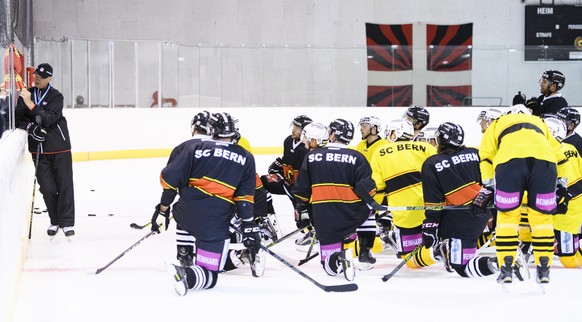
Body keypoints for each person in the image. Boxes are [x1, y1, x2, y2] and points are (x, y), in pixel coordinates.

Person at [157, 112, 258, 295]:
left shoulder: (194, 147)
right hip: (214, 223)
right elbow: (245, 198)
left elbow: (170, 181)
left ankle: (185, 253)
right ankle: (186, 273)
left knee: (187, 217)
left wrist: (163, 210)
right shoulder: (246, 157)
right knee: (211, 275)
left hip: (184, 214)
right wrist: (249, 225)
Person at [475, 104, 568, 287]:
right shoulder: (539, 122)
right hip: (545, 166)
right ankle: (544, 269)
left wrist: (490, 185)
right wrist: (562, 186)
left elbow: (485, 156)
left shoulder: (498, 123)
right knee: (542, 221)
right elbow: (560, 154)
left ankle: (506, 269)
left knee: (508, 219)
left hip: (510, 164)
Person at [291, 118, 381, 279]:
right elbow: (368, 190)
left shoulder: (312, 157)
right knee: (370, 209)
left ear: (332, 134)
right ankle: (363, 250)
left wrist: (302, 209)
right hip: (351, 215)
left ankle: (339, 259)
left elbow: (301, 192)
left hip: (323, 218)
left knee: (330, 268)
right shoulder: (357, 157)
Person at [421, 122, 498, 277]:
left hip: (457, 220)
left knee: (461, 267)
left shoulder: (432, 163)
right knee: (464, 257)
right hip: (481, 215)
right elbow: (493, 181)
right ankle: (447, 247)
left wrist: (430, 227)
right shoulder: (476, 153)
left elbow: (434, 202)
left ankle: (501, 264)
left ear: (442, 139)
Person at [15, 63, 75, 239]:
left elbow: (48, 118)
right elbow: (18, 119)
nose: (37, 78)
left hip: (60, 147)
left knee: (64, 186)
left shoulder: (56, 96)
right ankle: (55, 221)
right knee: (47, 188)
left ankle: (67, 223)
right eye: (36, 75)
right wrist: (30, 127)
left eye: (42, 76)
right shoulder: (27, 93)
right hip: (39, 149)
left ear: (50, 78)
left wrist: (30, 104)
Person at [370, 119, 439, 269]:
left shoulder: (381, 152)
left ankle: (437, 253)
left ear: (395, 133)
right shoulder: (426, 147)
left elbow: (378, 188)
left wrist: (372, 211)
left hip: (406, 216)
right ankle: (440, 250)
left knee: (410, 261)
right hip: (434, 212)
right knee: (433, 246)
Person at [259, 115, 313, 248]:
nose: (293, 130)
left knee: (302, 221)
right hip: (288, 183)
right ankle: (268, 221)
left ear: (305, 131)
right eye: (293, 126)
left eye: (298, 128)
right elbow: (287, 159)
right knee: (261, 183)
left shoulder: (307, 149)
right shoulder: (288, 141)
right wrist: (279, 164)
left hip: (301, 190)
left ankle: (312, 231)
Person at [173, 110, 213, 267]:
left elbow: (172, 179)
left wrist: (164, 206)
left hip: (189, 202)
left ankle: (185, 253)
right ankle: (211, 256)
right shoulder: (223, 149)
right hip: (219, 203)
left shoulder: (182, 148)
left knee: (183, 215)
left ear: (194, 127)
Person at [541, 114, 582, 268]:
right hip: (567, 206)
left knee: (569, 261)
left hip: (567, 211)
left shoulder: (550, 154)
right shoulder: (570, 148)